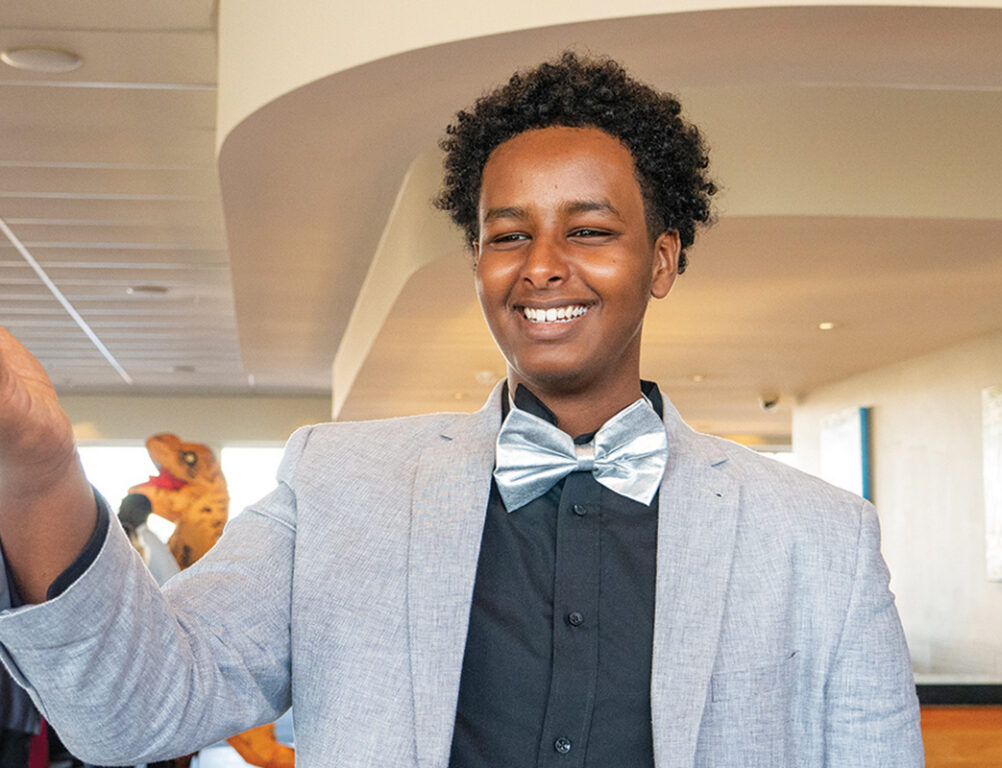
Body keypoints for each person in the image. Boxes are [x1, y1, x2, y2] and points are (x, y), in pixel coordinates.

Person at [0, 52, 922, 767]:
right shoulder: (336, 486)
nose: (543, 265)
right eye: (508, 235)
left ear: (663, 260)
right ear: (478, 261)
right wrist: (40, 471)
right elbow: (131, 713)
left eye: (590, 231)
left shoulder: (820, 540)